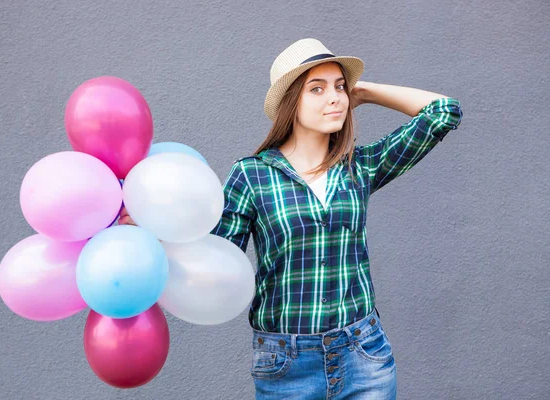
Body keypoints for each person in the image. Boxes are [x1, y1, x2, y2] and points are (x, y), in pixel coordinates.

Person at [120, 38, 463, 399]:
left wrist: (365, 92)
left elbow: (444, 111)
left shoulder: (358, 167)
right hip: (286, 364)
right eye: (316, 89)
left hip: (364, 355)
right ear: (290, 103)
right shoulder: (252, 175)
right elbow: (215, 258)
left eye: (339, 87)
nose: (334, 98)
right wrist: (156, 236)